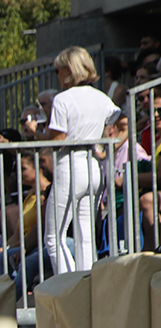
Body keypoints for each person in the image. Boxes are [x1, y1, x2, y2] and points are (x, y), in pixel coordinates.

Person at [44, 45, 119, 275]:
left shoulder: (62, 99)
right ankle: (87, 285)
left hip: (70, 164)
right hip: (94, 165)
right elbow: (119, 122)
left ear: (69, 69)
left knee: (53, 237)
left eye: (59, 70)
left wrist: (43, 136)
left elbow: (58, 139)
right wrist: (106, 147)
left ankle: (69, 285)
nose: (57, 75)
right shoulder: (102, 98)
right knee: (85, 237)